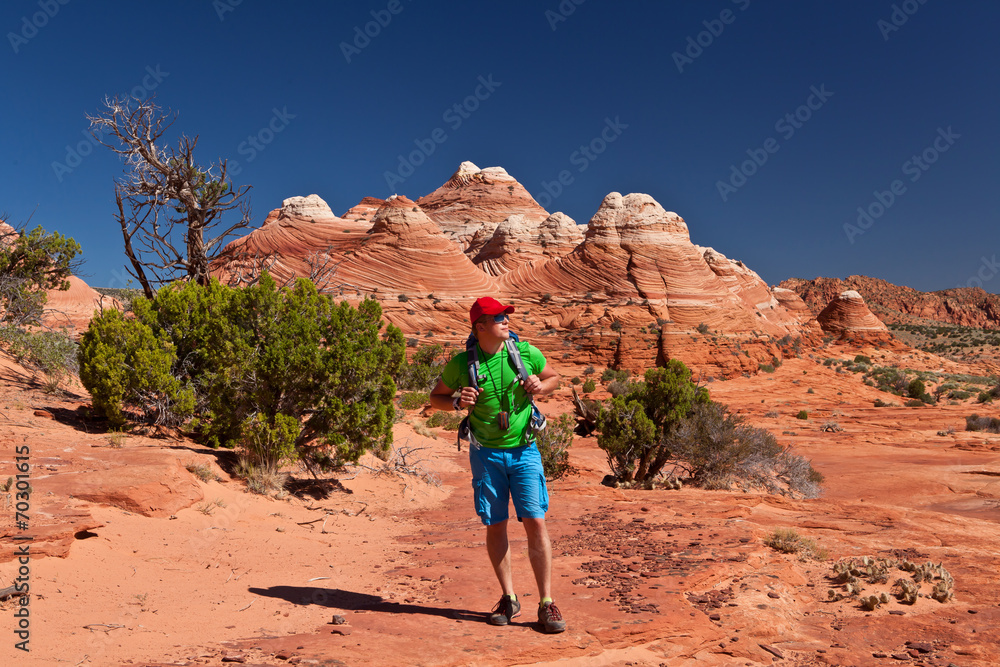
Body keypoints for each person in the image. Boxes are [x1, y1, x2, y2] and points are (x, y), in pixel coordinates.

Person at [429, 296, 565, 633]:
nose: (506, 320)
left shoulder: (525, 353)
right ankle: (509, 597)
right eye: (498, 317)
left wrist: (540, 386)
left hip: (524, 450)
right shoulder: (462, 364)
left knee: (535, 521)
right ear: (480, 326)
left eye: (505, 315)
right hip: (485, 453)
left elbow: (554, 378)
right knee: (496, 523)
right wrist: (457, 401)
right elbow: (436, 398)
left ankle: (547, 603)